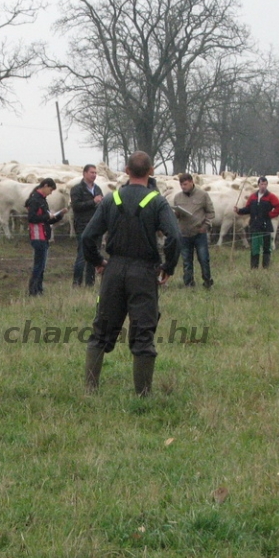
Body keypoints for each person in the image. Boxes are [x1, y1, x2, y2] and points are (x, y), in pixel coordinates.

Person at [81, 151, 180, 396]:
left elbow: (87, 237)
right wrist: (168, 267)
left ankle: (90, 390)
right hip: (144, 273)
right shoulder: (157, 201)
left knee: (101, 331)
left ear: (126, 170)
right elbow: (175, 237)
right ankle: (143, 396)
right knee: (143, 333)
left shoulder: (110, 199)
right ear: (151, 171)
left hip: (113, 270)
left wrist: (98, 261)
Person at [25, 178, 67, 296]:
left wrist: (59, 216)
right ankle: (33, 290)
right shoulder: (35, 200)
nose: (51, 192)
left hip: (43, 235)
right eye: (50, 189)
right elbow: (31, 218)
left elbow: (48, 219)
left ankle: (38, 289)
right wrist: (46, 217)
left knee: (41, 265)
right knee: (39, 265)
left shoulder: (42, 200)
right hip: (38, 235)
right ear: (45, 185)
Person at [173, 173, 215, 288]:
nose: (183, 187)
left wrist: (205, 226)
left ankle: (207, 281)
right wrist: (176, 213)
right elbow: (175, 215)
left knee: (203, 259)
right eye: (181, 185)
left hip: (199, 233)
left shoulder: (203, 195)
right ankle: (188, 283)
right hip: (184, 233)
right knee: (186, 260)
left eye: (185, 184)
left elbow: (211, 212)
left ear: (192, 182)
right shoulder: (177, 197)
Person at [236, 175, 279, 269]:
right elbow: (248, 209)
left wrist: (270, 215)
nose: (263, 186)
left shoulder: (271, 197)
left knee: (267, 247)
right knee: (255, 247)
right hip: (254, 226)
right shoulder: (253, 197)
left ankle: (266, 267)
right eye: (262, 184)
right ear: (258, 185)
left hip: (266, 225)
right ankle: (254, 268)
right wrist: (239, 210)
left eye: (265, 184)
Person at [69, 164, 104, 287]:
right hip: (83, 225)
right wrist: (93, 201)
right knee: (82, 254)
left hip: (96, 226)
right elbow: (76, 206)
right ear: (84, 173)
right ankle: (76, 283)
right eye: (91, 172)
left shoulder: (98, 189)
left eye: (95, 173)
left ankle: (90, 283)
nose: (94, 175)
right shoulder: (77, 189)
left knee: (94, 255)